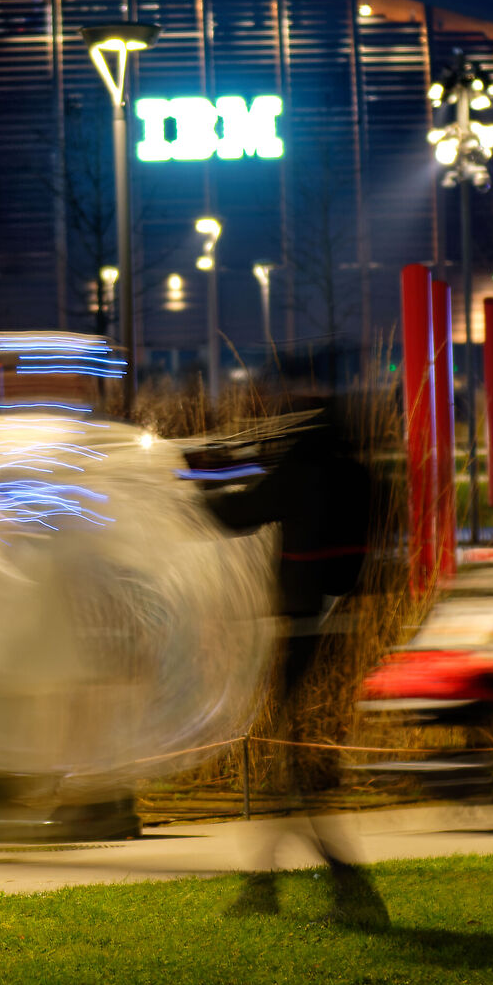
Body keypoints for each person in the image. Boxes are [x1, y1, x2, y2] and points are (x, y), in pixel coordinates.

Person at [206, 394, 387, 926]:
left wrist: (202, 481)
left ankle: (339, 888)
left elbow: (236, 515)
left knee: (297, 766)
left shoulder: (304, 472)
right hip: (345, 630)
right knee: (298, 767)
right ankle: (268, 886)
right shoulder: (355, 474)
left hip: (306, 632)